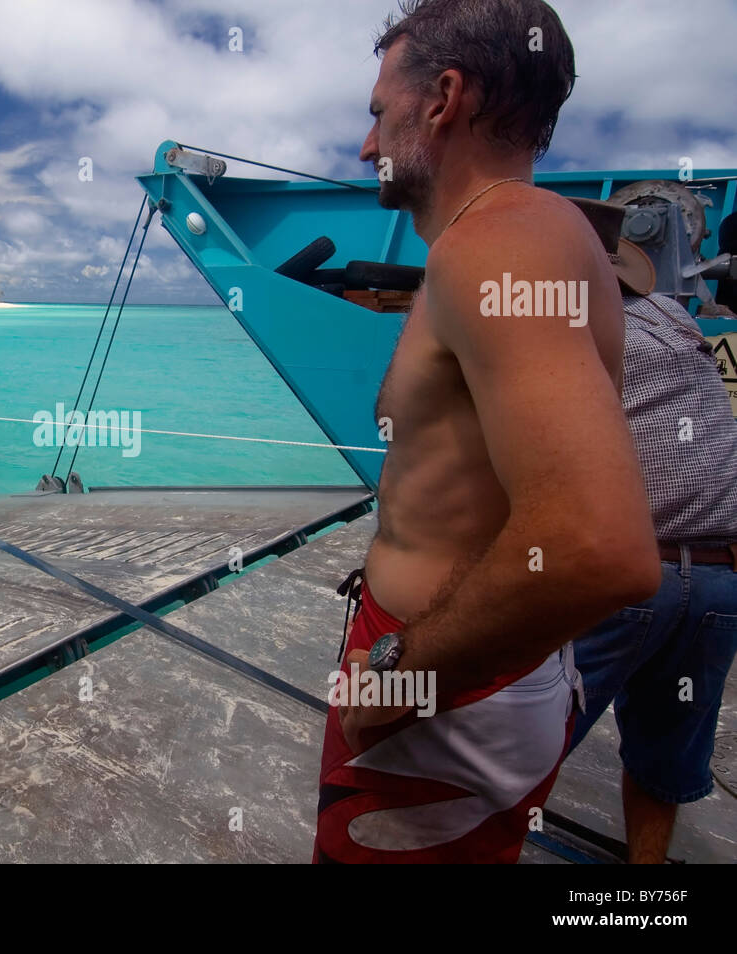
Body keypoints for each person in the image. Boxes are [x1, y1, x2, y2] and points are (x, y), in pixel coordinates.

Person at [314, 0, 660, 864]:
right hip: (477, 678)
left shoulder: (501, 241)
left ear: (443, 99)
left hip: (444, 693)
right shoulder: (519, 237)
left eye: (376, 113)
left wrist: (395, 678)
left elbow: (596, 546)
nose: (366, 147)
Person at [559, 202, 737, 863]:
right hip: (719, 581)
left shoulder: (568, 326)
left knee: (512, 744)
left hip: (625, 577)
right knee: (664, 757)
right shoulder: (674, 317)